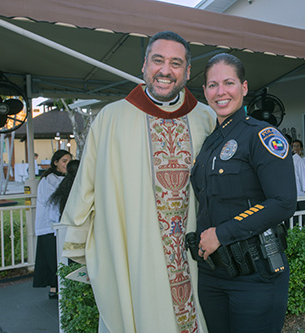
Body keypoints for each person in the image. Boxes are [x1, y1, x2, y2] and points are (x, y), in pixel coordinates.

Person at [61, 31, 216, 332]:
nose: (165, 71)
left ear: (187, 71)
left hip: (195, 258)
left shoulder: (205, 118)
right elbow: (87, 184)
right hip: (134, 254)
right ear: (144, 65)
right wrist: (84, 250)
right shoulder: (110, 118)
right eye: (158, 60)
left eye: (175, 63)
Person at [191, 53, 296, 332]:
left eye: (229, 82)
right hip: (213, 273)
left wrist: (221, 234)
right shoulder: (208, 144)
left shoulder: (261, 136)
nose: (220, 91)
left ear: (244, 87)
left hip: (255, 274)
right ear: (205, 92)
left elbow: (284, 202)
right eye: (213, 85)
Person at [33, 149, 72, 299]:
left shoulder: (66, 178)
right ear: (55, 162)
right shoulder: (48, 180)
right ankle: (57, 287)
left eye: (69, 162)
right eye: (64, 161)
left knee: (57, 256)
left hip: (61, 224)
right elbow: (53, 202)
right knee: (52, 258)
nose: (66, 165)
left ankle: (56, 286)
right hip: (49, 225)